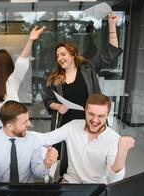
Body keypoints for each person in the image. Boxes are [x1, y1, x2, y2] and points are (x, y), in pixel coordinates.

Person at [43, 13, 123, 176]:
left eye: (63, 54)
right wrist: (57, 105)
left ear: (73, 54)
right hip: (66, 123)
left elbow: (111, 52)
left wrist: (112, 25)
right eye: (57, 56)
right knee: (68, 159)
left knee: (92, 157)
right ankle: (67, 181)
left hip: (91, 121)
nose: (60, 58)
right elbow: (47, 100)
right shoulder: (54, 78)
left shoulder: (88, 68)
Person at [35, 93, 135, 184]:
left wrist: (122, 152)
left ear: (107, 115)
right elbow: (45, 138)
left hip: (97, 188)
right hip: (70, 182)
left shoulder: (114, 139)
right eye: (91, 114)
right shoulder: (73, 126)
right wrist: (21, 130)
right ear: (85, 111)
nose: (95, 120)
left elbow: (113, 180)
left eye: (101, 116)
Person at [0, 100, 58, 183]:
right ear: (9, 126)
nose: (29, 124)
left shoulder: (32, 140)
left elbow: (37, 173)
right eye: (25, 122)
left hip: (27, 193)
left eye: (28, 120)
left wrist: (47, 163)